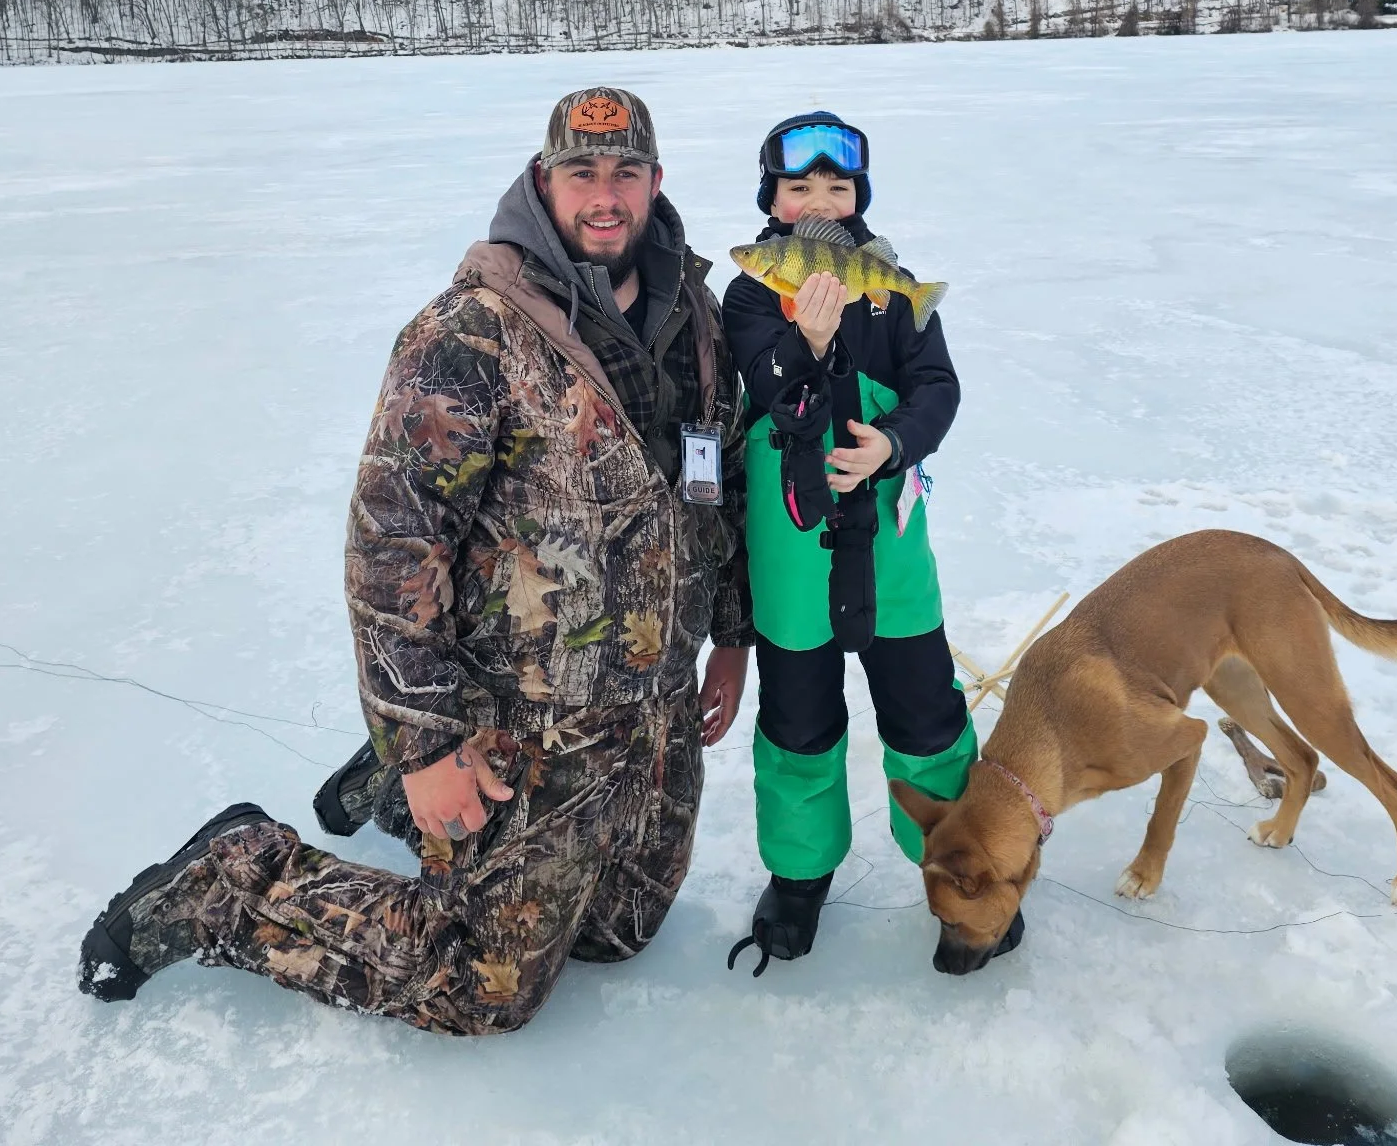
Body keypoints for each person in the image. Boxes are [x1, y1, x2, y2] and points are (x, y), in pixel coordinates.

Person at [79, 87, 753, 1033]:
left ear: (655, 181)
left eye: (626, 173)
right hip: (521, 721)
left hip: (651, 714)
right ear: (542, 181)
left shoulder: (696, 318)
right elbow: (391, 548)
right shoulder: (470, 334)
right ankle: (232, 879)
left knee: (621, 930)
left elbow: (715, 494)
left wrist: (730, 636)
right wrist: (428, 743)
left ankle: (383, 795)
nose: (607, 197)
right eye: (582, 174)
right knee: (486, 985)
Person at [721, 110, 989, 975]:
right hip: (793, 555)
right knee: (799, 723)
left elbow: (937, 388)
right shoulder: (753, 290)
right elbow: (767, 391)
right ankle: (800, 877)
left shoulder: (894, 284)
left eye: (837, 187)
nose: (818, 200)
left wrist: (895, 442)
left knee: (927, 717)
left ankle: (961, 864)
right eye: (799, 187)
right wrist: (811, 340)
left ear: (859, 199)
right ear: (772, 200)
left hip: (892, 551)